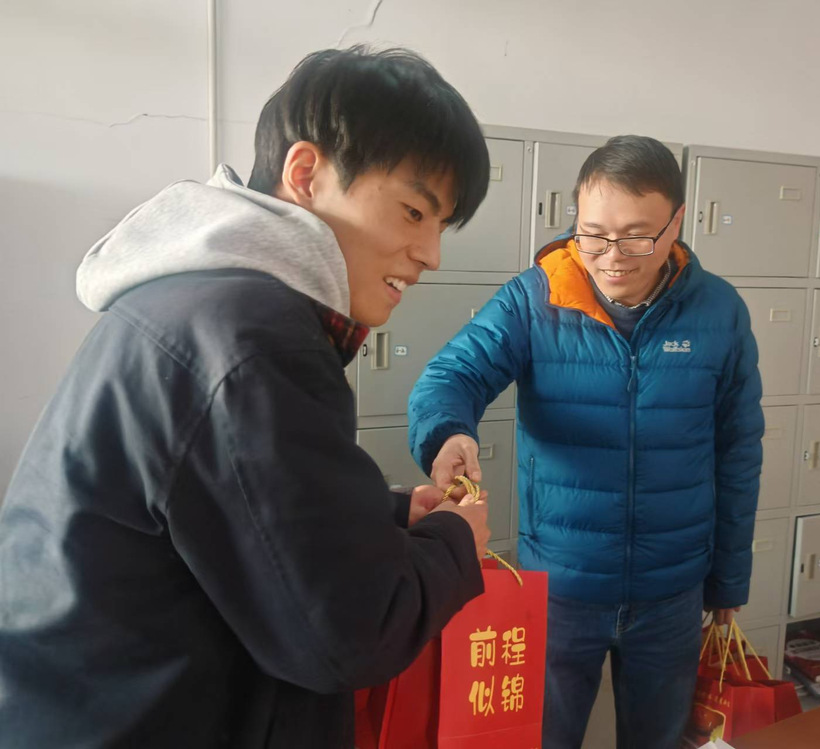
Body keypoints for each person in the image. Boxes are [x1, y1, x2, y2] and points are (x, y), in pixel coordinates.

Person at [0, 46, 492, 748]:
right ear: (306, 174)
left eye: (441, 227)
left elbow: (216, 505)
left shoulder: (194, 298)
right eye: (414, 211)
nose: (431, 255)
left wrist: (386, 514)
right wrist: (455, 543)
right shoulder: (258, 339)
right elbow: (350, 633)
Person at [408, 135, 764, 748]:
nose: (611, 257)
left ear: (677, 222)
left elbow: (739, 450)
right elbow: (451, 375)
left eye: (636, 236)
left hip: (672, 592)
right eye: (593, 234)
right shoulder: (536, 297)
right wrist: (446, 433)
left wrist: (728, 579)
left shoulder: (718, 311)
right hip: (560, 588)